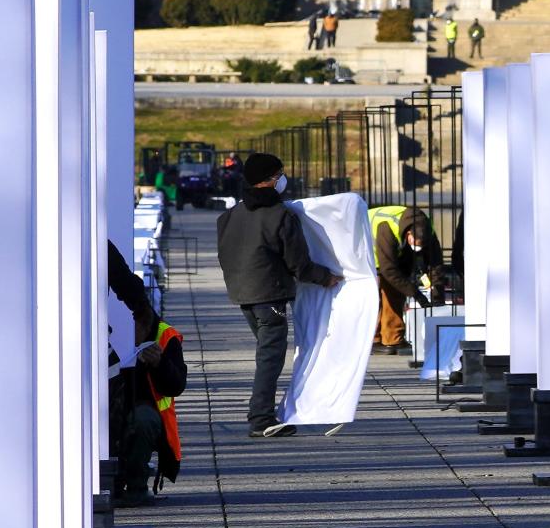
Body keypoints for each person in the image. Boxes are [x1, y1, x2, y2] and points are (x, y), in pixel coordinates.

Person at [216, 151, 343, 437]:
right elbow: (299, 264)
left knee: (266, 352)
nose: (282, 179)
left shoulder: (229, 215)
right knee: (270, 357)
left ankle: (263, 413)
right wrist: (327, 277)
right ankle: (260, 419)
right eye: (279, 174)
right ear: (272, 180)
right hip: (268, 295)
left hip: (241, 293)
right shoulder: (280, 215)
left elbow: (224, 255)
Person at [113, 298, 187, 507]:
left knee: (142, 421)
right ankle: (112, 482)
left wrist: (159, 364)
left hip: (144, 409)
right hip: (111, 403)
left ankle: (136, 486)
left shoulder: (165, 337)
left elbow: (176, 386)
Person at [369, 205, 445, 355]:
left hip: (396, 253)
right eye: (415, 244)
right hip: (366, 251)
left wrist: (437, 294)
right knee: (389, 290)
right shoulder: (387, 226)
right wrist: (415, 293)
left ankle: (382, 339)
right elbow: (388, 270)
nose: (417, 248)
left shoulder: (428, 231)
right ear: (408, 234)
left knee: (396, 289)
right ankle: (390, 339)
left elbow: (435, 264)